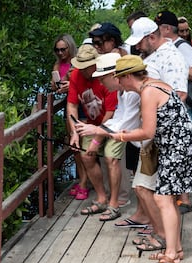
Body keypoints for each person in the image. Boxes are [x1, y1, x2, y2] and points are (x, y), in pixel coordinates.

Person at [111, 55, 192, 263]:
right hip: (178, 144)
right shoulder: (157, 83)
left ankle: (172, 255)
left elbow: (148, 132)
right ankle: (176, 249)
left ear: (128, 76)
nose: (118, 83)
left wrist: (121, 136)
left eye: (119, 78)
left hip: (179, 147)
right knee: (165, 198)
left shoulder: (148, 92)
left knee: (162, 198)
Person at [121, 17, 190, 248]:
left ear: (152, 36)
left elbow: (179, 96)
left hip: (163, 139)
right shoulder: (153, 56)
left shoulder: (172, 57)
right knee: (146, 189)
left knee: (159, 194)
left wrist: (153, 135)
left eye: (140, 42)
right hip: (154, 138)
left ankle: (168, 243)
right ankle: (165, 239)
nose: (137, 47)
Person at [67, 44, 123, 222]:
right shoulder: (76, 75)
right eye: (80, 66)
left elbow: (111, 113)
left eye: (86, 66)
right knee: (86, 156)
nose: (82, 70)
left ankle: (114, 204)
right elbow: (72, 105)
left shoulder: (106, 77)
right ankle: (101, 197)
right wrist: (74, 131)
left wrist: (97, 140)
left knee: (110, 158)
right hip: (91, 123)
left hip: (115, 122)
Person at [155, 11, 192, 213]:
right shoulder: (166, 48)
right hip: (173, 104)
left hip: (185, 106)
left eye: (158, 28)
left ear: (166, 28)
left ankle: (185, 199)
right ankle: (177, 197)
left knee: (183, 152)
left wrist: (177, 66)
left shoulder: (182, 47)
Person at [89, 22, 132, 208]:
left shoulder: (118, 59)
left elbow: (124, 120)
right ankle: (114, 198)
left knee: (115, 158)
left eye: (99, 43)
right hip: (119, 119)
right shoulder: (123, 89)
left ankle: (119, 199)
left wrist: (97, 134)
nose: (97, 47)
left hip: (123, 119)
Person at [51, 34, 89, 200]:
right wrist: (57, 86)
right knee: (73, 146)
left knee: (84, 145)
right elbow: (55, 85)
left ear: (70, 48)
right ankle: (82, 180)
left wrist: (69, 82)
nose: (60, 53)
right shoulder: (58, 65)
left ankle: (85, 183)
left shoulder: (78, 64)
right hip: (69, 104)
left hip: (82, 104)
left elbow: (83, 83)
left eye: (63, 49)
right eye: (57, 50)